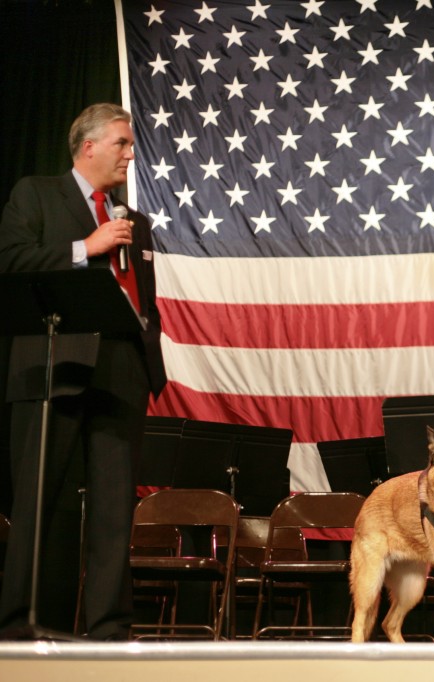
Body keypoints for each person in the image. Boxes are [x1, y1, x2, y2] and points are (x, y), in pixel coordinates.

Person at [0, 103, 166, 640]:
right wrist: (84, 248)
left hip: (121, 371)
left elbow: (146, 300)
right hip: (53, 363)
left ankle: (109, 627)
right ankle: (21, 622)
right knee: (38, 499)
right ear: (88, 146)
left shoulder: (131, 221)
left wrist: (148, 361)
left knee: (115, 508)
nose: (130, 153)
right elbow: (11, 260)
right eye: (121, 142)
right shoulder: (37, 194)